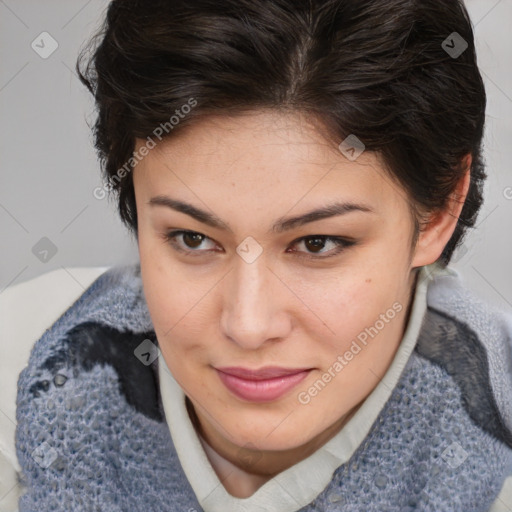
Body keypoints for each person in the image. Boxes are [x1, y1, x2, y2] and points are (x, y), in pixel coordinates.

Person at [14, 0, 512, 510]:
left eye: (317, 244)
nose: (248, 326)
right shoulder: (16, 368)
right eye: (192, 239)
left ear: (438, 213)